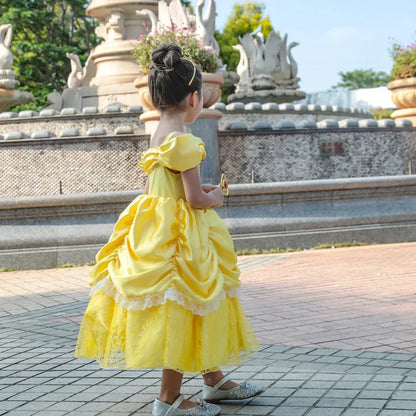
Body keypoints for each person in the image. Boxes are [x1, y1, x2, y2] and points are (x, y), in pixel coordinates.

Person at [75, 43, 264, 416]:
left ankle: (213, 381)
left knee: (190, 302)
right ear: (195, 98)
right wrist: (216, 198)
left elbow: (161, 187)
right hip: (180, 234)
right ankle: (168, 399)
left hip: (156, 225)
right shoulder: (186, 141)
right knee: (184, 299)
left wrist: (193, 194)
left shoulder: (159, 133)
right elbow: (194, 200)